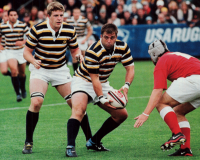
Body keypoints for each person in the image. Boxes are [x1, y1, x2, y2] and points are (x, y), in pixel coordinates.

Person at [22, 2, 92, 154]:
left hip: (60, 70)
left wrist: (78, 55)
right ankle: (28, 142)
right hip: (40, 69)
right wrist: (33, 60)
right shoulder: (37, 29)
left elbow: (74, 50)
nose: (59, 18)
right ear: (48, 16)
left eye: (61, 15)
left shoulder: (69, 29)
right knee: (36, 101)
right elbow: (26, 52)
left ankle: (90, 140)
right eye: (56, 15)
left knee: (77, 105)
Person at [66, 23, 135, 157]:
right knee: (79, 110)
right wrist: (101, 98)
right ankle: (70, 146)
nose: (109, 41)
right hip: (83, 81)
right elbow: (94, 79)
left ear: (116, 36)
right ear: (101, 36)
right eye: (106, 37)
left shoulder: (123, 47)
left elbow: (130, 68)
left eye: (112, 38)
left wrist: (126, 86)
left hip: (102, 82)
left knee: (122, 115)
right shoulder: (93, 51)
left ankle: (94, 141)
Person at [133, 39, 200, 156]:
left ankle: (177, 134)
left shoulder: (162, 61)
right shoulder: (175, 55)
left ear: (154, 55)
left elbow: (158, 91)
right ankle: (185, 149)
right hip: (196, 79)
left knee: (160, 103)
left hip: (194, 80)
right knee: (178, 111)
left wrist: (145, 114)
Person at [0, 9, 29, 102]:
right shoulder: (2, 26)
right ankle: (18, 94)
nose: (13, 16)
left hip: (21, 51)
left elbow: (30, 37)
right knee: (13, 70)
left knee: (22, 73)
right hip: (9, 51)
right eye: (11, 15)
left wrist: (22, 42)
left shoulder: (22, 25)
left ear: (17, 16)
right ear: (8, 16)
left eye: (14, 15)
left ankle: (23, 88)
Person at [0, 11, 11, 77]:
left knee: (14, 69)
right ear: (2, 17)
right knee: (4, 71)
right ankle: (12, 75)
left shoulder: (14, 26)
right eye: (5, 16)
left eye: (8, 16)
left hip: (13, 50)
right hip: (3, 50)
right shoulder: (0, 26)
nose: (7, 17)